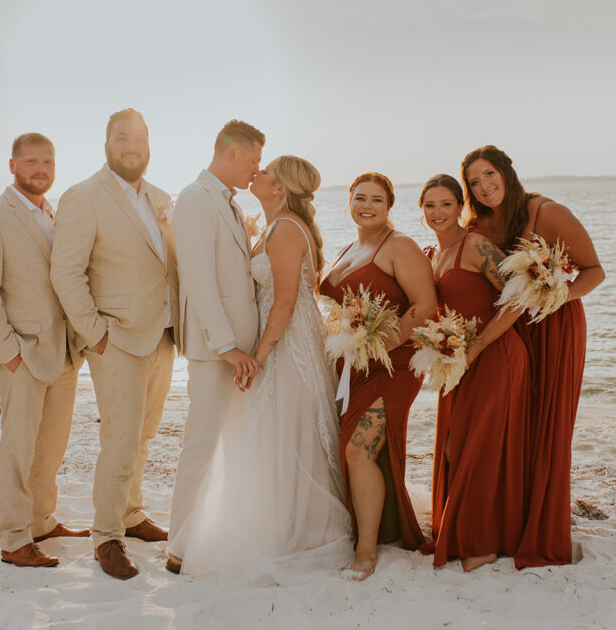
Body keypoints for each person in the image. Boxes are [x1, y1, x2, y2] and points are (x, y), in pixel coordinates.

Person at [179, 156, 352, 584]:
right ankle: (277, 519)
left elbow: (287, 302)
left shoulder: (287, 228)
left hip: (288, 344)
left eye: (268, 170)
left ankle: (297, 529)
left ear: (281, 187)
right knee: (271, 433)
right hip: (281, 339)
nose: (258, 173)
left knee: (286, 431)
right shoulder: (273, 223)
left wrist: (259, 355)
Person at [460, 145, 605, 568]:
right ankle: (509, 523)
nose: (484, 187)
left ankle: (541, 525)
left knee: (547, 424)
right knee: (516, 424)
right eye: (474, 182)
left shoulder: (548, 213)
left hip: (555, 327)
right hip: (510, 328)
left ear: (506, 171)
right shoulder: (480, 222)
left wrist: (554, 297)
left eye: (489, 175)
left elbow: (594, 270)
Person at [50, 109, 179, 580]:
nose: (132, 147)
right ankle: (106, 537)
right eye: (122, 139)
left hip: (162, 336)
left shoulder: (161, 197)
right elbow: (66, 272)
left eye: (139, 139)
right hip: (117, 339)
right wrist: (96, 334)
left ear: (149, 145)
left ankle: (131, 512)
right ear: (107, 147)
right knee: (120, 440)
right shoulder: (83, 197)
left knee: (143, 437)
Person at [0, 133, 91, 568]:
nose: (41, 169)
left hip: (65, 352)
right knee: (18, 449)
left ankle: (40, 519)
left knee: (51, 446)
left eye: (48, 161)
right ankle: (14, 538)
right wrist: (8, 352)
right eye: (31, 161)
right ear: (13, 165)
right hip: (21, 354)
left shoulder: (54, 215)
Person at [319, 173, 437, 581]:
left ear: (390, 207)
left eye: (376, 200)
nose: (367, 206)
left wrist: (381, 346)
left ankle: (366, 551)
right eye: (359, 198)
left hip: (394, 366)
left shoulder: (398, 245)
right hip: (353, 367)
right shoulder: (349, 247)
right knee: (348, 450)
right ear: (348, 201)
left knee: (357, 450)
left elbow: (425, 305)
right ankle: (372, 528)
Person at [165, 120, 264, 574]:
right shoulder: (194, 199)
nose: (255, 171)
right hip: (214, 351)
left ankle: (212, 533)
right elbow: (199, 279)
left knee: (231, 445)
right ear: (230, 153)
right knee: (201, 445)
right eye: (252, 161)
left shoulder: (227, 201)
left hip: (240, 349)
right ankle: (178, 546)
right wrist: (227, 346)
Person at [419, 174, 529, 572]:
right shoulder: (433, 254)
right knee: (455, 445)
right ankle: (464, 532)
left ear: (460, 206)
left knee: (479, 446)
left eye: (446, 204)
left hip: (496, 353)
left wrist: (479, 345)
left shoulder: (475, 244)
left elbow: (519, 298)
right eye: (430, 206)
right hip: (459, 361)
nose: (437, 213)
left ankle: (481, 543)